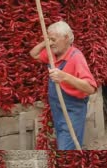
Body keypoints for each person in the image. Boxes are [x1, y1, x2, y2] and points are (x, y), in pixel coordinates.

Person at [30, 21, 97, 150]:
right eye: (49, 39)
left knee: (66, 146)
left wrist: (65, 77)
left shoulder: (76, 57)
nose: (51, 43)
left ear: (66, 38)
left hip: (73, 108)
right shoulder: (52, 54)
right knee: (63, 140)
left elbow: (90, 88)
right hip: (57, 108)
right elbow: (34, 54)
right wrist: (46, 42)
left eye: (54, 39)